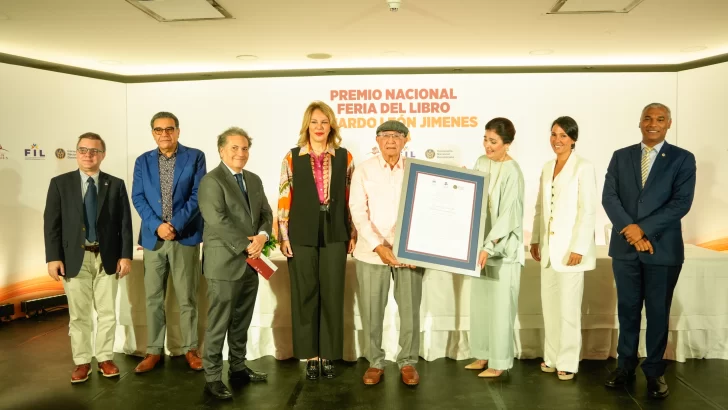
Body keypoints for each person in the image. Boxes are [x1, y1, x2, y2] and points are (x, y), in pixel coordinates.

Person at [602, 103, 696, 399]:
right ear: (639, 122)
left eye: (659, 119)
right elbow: (610, 197)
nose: (652, 123)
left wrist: (641, 229)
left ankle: (654, 373)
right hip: (626, 250)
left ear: (669, 124)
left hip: (663, 250)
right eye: (647, 118)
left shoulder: (682, 159)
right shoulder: (621, 156)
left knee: (657, 312)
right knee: (627, 310)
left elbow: (680, 203)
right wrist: (630, 230)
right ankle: (625, 366)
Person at [43, 132, 133, 383]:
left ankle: (105, 358)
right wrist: (53, 257)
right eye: (83, 150)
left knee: (107, 313)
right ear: (76, 153)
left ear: (102, 155)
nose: (88, 155)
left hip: (107, 258)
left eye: (94, 151)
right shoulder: (60, 183)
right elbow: (51, 224)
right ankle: (82, 361)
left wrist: (125, 255)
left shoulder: (115, 184)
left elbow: (125, 223)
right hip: (74, 258)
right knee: (79, 315)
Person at [277, 101, 355, 380]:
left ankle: (329, 354)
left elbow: (351, 199)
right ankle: (310, 355)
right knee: (305, 293)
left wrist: (353, 233)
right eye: (314, 122)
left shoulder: (345, 156)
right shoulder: (292, 156)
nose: (319, 127)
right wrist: (283, 235)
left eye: (324, 122)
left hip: (335, 229)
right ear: (306, 126)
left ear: (331, 125)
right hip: (301, 229)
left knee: (332, 292)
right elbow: (284, 196)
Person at [198, 127, 273, 400]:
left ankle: (238, 367)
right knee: (219, 322)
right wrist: (247, 244)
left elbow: (266, 212)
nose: (241, 153)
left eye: (244, 148)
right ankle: (213, 377)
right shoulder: (211, 181)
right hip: (224, 263)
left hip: (251, 262)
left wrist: (263, 236)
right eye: (234, 148)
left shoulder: (253, 179)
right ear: (221, 150)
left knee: (241, 319)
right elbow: (217, 219)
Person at [350, 120, 424, 386]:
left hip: (409, 253)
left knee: (410, 310)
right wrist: (378, 245)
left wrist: (416, 246)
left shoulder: (417, 171)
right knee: (372, 310)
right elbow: (358, 212)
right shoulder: (364, 170)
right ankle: (375, 362)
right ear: (377, 140)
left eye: (397, 136)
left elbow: (425, 210)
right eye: (385, 136)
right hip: (372, 253)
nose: (391, 140)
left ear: (406, 140)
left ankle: (407, 362)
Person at [131, 111, 207, 373]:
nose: (164, 134)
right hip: (154, 239)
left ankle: (190, 349)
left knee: (187, 298)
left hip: (184, 236)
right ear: (152, 133)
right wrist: (158, 226)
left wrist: (174, 225)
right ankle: (153, 351)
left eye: (169, 129)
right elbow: (138, 197)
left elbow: (198, 195)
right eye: (158, 130)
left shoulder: (195, 156)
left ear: (178, 131)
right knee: (153, 298)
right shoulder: (142, 161)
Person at [530, 116, 597, 381]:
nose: (557, 140)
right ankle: (552, 356)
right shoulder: (547, 167)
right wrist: (535, 239)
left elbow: (588, 210)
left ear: (573, 139)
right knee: (551, 308)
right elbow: (540, 206)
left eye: (563, 136)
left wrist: (579, 247)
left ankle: (568, 361)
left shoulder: (584, 166)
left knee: (569, 310)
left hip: (571, 251)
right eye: (554, 134)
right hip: (548, 250)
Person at [465, 117, 525, 378]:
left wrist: (489, 246)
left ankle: (499, 362)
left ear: (507, 144)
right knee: (480, 305)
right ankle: (482, 354)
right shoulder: (481, 162)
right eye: (485, 139)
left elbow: (509, 216)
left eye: (493, 141)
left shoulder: (514, 171)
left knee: (501, 308)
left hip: (502, 251)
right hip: (479, 248)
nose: (487, 146)